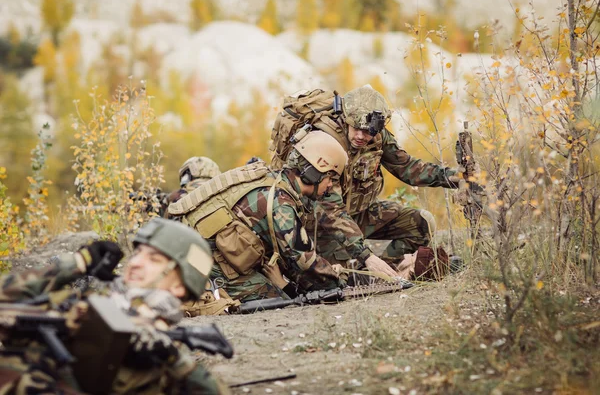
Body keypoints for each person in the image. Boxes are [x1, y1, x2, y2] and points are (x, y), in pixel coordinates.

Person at [0, 218, 226, 395]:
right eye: (137, 253)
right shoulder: (84, 301)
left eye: (154, 260)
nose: (135, 263)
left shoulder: (160, 353)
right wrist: (79, 263)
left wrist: (174, 359)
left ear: (179, 286)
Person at [270, 85, 463, 278]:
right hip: (321, 225)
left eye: (367, 131)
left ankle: (388, 272)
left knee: (422, 224)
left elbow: (407, 168)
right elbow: (330, 211)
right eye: (356, 129)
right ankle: (373, 274)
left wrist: (454, 178)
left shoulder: (376, 134)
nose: (361, 136)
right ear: (346, 120)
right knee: (342, 277)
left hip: (357, 213)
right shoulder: (324, 142)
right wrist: (366, 256)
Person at [168, 131, 350, 302]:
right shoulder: (280, 202)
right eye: (330, 179)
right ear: (313, 174)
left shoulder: (270, 181)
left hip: (202, 255)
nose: (330, 186)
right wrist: (336, 282)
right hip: (204, 265)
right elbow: (304, 260)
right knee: (280, 300)